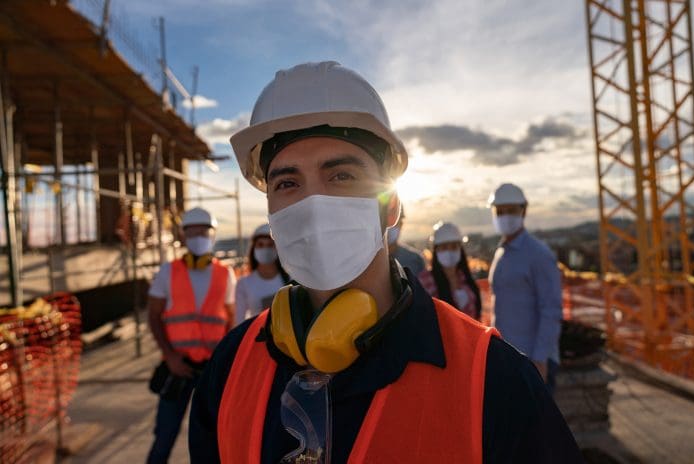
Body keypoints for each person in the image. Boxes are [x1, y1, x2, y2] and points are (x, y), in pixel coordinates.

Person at [189, 61, 582, 463]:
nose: (313, 204)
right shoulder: (230, 370)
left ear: (391, 205)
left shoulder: (493, 382)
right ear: (271, 214)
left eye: (341, 176)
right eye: (287, 183)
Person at [146, 207, 236, 464]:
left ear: (213, 235)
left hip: (212, 370)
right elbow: (153, 316)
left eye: (204, 231)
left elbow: (231, 320)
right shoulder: (167, 272)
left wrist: (224, 360)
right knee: (164, 437)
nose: (198, 236)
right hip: (178, 368)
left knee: (215, 439)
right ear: (183, 236)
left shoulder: (225, 273)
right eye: (193, 231)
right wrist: (170, 356)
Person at [487, 183, 562, 393]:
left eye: (511, 210)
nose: (505, 216)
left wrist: (540, 359)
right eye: (500, 211)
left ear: (523, 211)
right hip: (507, 357)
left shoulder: (538, 254)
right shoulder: (501, 253)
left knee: (538, 425)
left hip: (532, 360)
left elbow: (551, 309)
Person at [418, 221, 481, 320]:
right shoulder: (425, 281)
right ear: (436, 250)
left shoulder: (466, 277)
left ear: (460, 248)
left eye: (454, 246)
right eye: (444, 247)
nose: (449, 251)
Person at [234, 223, 289, 326]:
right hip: (258, 339)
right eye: (260, 245)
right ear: (253, 248)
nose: (265, 249)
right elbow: (239, 322)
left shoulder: (291, 280)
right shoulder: (244, 284)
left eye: (270, 245)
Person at [387, 206, 426, 275]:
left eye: (394, 222)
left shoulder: (415, 260)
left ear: (401, 224)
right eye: (384, 221)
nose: (388, 227)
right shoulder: (365, 263)